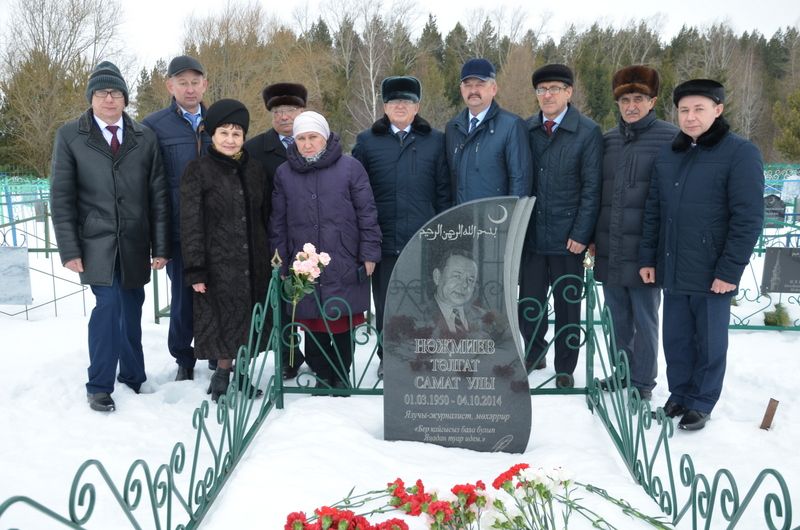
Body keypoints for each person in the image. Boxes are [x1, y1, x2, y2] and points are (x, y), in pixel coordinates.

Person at [639, 79, 764, 431]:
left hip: (713, 271)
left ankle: (702, 401)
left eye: (699, 109)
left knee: (709, 341)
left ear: (718, 110)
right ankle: (679, 394)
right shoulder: (670, 153)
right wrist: (649, 258)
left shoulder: (740, 153)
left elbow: (748, 218)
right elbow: (654, 210)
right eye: (684, 110)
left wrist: (730, 269)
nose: (691, 117)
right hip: (674, 265)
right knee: (676, 337)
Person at [50, 61, 170, 412]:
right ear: (91, 98)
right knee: (109, 306)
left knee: (132, 308)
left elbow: (158, 195)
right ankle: (100, 385)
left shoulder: (145, 137)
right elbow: (61, 196)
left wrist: (160, 246)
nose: (109, 99)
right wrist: (69, 248)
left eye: (116, 92)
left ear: (125, 99)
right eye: (101, 93)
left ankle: (133, 375)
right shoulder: (71, 135)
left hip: (134, 240)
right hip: (95, 243)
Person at [270, 111, 382, 392]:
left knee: (340, 322)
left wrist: (369, 253)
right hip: (304, 261)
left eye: (313, 137)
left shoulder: (350, 167)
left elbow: (366, 212)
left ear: (326, 137)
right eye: (301, 139)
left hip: (343, 256)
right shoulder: (285, 173)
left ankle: (341, 376)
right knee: (312, 323)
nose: (307, 144)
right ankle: (321, 374)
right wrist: (282, 262)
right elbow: (278, 221)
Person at [352, 75, 451, 378]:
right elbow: (357, 192)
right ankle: (389, 357)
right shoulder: (368, 141)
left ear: (417, 105)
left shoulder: (435, 140)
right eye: (394, 101)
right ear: (384, 105)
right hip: (384, 240)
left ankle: (422, 354)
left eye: (407, 101)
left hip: (424, 238)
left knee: (424, 301)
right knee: (386, 305)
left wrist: (443, 234)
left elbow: (444, 191)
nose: (400, 106)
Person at [591, 65, 678, 401]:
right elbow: (601, 192)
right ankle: (621, 372)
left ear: (652, 100)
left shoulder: (669, 138)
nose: (631, 105)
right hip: (612, 246)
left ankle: (643, 381)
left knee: (645, 319)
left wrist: (657, 250)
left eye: (638, 98)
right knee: (617, 319)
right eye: (625, 99)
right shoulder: (609, 140)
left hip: (645, 250)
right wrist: (597, 238)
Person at [180, 99, 271, 403]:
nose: (230, 140)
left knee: (247, 320)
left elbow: (265, 215)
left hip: (253, 260)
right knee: (222, 321)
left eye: (236, 134)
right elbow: (190, 222)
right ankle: (222, 375)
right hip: (217, 261)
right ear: (212, 136)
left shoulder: (255, 170)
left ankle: (240, 374)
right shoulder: (198, 170)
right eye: (224, 133)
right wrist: (195, 268)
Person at [519, 64, 603, 389]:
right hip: (532, 236)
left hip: (569, 239)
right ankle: (533, 353)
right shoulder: (526, 129)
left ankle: (565, 366)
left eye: (555, 88)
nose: (548, 95)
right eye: (542, 89)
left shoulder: (586, 132)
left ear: (569, 92)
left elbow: (592, 186)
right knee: (530, 303)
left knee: (569, 306)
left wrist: (581, 233)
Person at [142, 55, 212, 382]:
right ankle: (183, 357)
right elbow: (149, 183)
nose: (189, 88)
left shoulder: (220, 121)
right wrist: (159, 239)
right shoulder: (154, 126)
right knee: (184, 297)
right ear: (170, 85)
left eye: (195, 81)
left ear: (205, 84)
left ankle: (215, 350)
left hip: (217, 228)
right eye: (182, 82)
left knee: (217, 293)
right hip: (180, 229)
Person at [244, 82, 308, 381]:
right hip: (273, 235)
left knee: (313, 298)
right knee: (283, 300)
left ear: (302, 111)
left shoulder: (313, 142)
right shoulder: (255, 149)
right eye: (278, 111)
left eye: (291, 111)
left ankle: (322, 355)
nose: (284, 117)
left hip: (311, 233)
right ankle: (288, 355)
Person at [445, 58, 532, 204]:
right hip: (462, 223)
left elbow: (520, 182)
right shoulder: (453, 128)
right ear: (461, 89)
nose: (473, 91)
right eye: (467, 85)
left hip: (496, 223)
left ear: (493, 88)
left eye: (480, 84)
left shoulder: (512, 126)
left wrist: (511, 224)